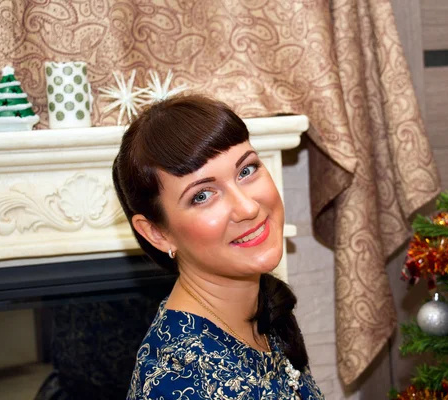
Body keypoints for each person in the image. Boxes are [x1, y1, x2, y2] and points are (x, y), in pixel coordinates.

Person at [113, 94, 325, 399]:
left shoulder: (263, 307)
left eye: (246, 170)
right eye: (202, 195)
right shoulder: (176, 381)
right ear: (157, 233)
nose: (247, 207)